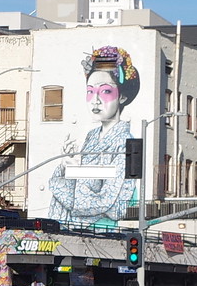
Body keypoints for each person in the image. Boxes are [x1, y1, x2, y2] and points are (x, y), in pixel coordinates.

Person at [46, 46, 139, 223]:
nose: (95, 100)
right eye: (90, 91)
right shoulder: (91, 136)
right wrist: (67, 166)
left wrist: (73, 174)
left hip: (103, 233)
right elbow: (87, 185)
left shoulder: (128, 144)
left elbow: (111, 205)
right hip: (72, 230)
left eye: (105, 91)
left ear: (122, 97)